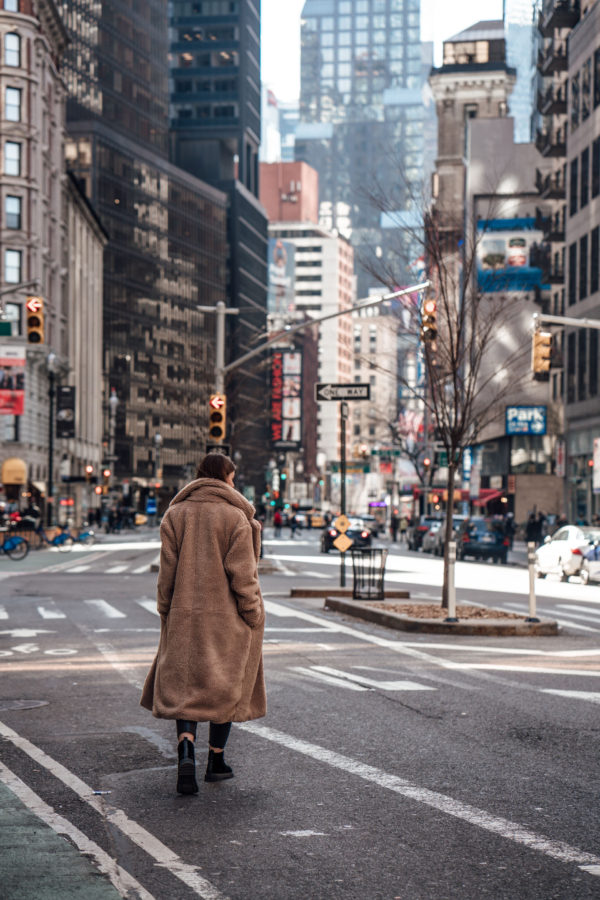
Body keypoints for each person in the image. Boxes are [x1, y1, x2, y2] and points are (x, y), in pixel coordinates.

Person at [140, 452, 266, 795]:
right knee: (225, 685)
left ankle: (185, 751)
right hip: (226, 620)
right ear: (225, 477)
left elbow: (167, 572)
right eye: (233, 477)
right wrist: (252, 613)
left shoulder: (175, 514)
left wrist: (166, 608)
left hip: (183, 615)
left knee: (185, 686)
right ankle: (216, 759)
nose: (234, 483)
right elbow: (243, 576)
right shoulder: (235, 517)